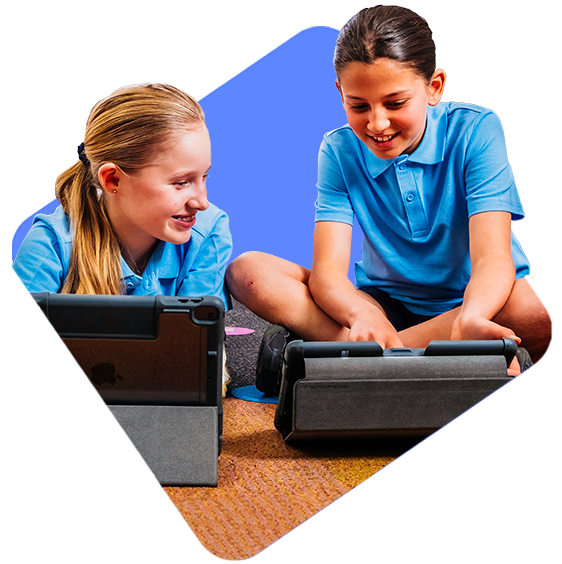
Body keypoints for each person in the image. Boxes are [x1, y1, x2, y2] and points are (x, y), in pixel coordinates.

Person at [226, 6, 552, 428]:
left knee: (548, 301)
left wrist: (472, 317)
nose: (376, 123)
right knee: (249, 270)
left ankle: (346, 359)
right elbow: (328, 274)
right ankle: (418, 362)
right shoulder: (339, 150)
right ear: (340, 92)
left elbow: (493, 258)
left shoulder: (476, 130)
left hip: (477, 307)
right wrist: (365, 316)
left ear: (434, 87)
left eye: (395, 102)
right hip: (385, 308)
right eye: (357, 105)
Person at [11, 83, 233, 395]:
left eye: (204, 177)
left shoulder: (209, 232)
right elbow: (15, 355)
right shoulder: (50, 243)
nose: (202, 201)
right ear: (113, 179)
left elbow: (195, 361)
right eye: (181, 182)